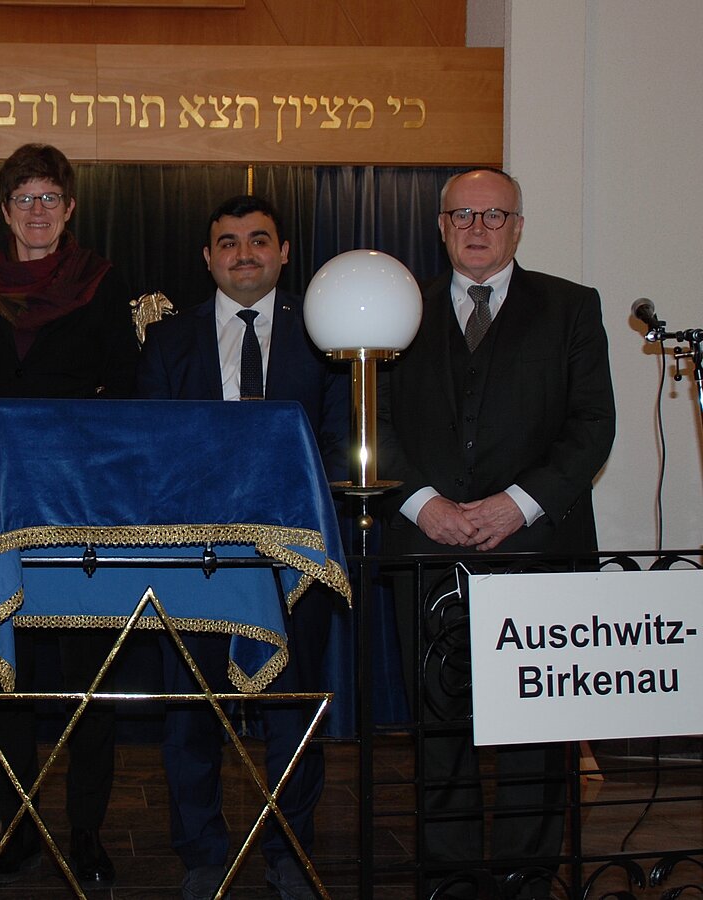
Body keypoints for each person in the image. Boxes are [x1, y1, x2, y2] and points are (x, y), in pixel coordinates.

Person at [378, 168, 616, 898]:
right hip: (428, 549)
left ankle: (526, 878)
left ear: (518, 226)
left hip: (540, 548)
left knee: (536, 735)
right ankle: (449, 880)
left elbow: (592, 425)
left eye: (493, 215)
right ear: (440, 226)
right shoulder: (395, 310)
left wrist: (519, 504)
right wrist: (423, 504)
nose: (477, 228)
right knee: (439, 731)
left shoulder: (572, 307)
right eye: (462, 215)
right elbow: (366, 427)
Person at [136, 194, 348, 900]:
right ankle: (202, 854)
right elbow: (152, 451)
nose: (244, 253)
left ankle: (290, 849)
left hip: (294, 559)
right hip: (195, 558)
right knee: (190, 714)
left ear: (284, 252)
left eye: (259, 240)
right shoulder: (169, 341)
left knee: (293, 709)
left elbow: (339, 441)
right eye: (228, 242)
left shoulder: (323, 336)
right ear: (208, 258)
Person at [0, 143, 140, 888]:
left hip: (81, 509)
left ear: (69, 210)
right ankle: (19, 826)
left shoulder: (103, 282)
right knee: (5, 674)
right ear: (5, 212)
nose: (36, 211)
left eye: (49, 198)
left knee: (87, 681)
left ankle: (86, 831)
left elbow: (127, 393)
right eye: (23, 198)